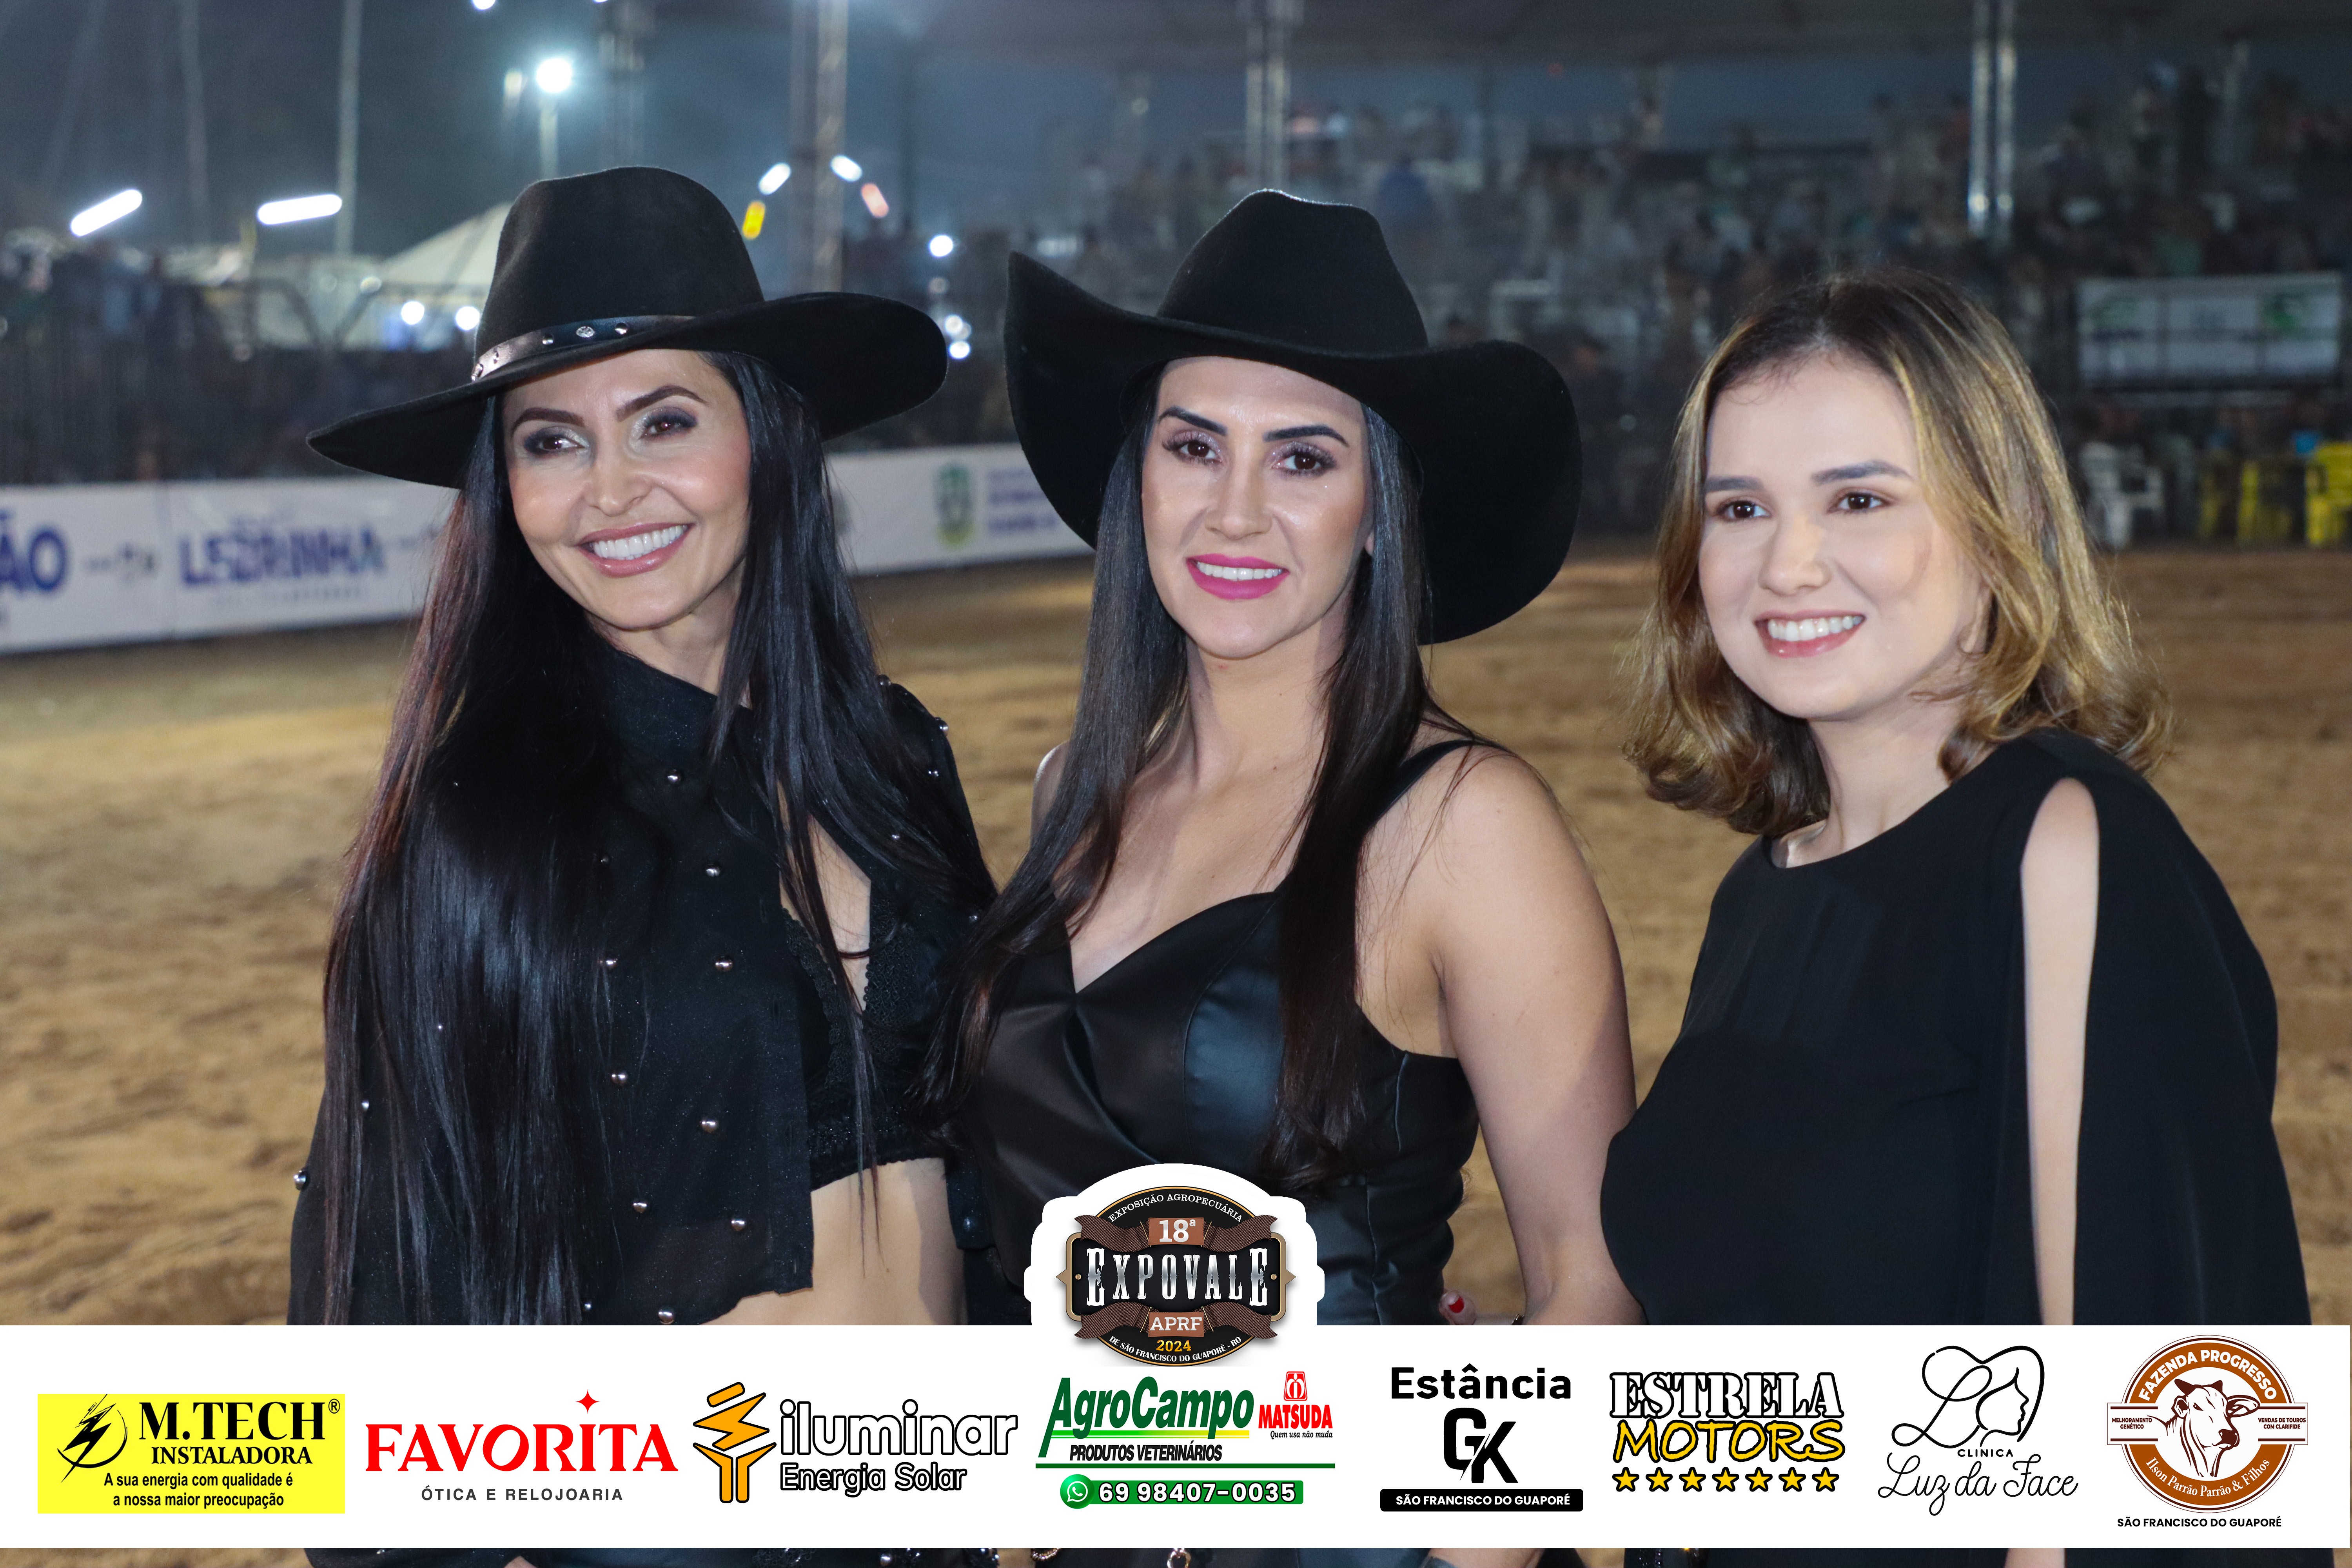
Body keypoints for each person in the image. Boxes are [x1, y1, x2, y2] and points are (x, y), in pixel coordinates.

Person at [285, 168, 996, 1568]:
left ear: (766, 437)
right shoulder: (475, 831)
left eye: (664, 421)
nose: (610, 491)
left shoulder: (897, 752)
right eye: (552, 442)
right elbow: (382, 1285)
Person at [1604, 269, 2319, 1568]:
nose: (1787, 564)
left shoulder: (2067, 847)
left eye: (1860, 499)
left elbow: (2149, 1446)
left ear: (2003, 526)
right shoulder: (1762, 894)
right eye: (1740, 508)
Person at [931, 189, 1637, 1341]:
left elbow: (1592, 1290)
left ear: (1379, 510)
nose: (1236, 512)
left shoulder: (1463, 825)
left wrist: (1441, 1475)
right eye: (1194, 447)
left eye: (1303, 459)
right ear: (1140, 478)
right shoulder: (1074, 792)